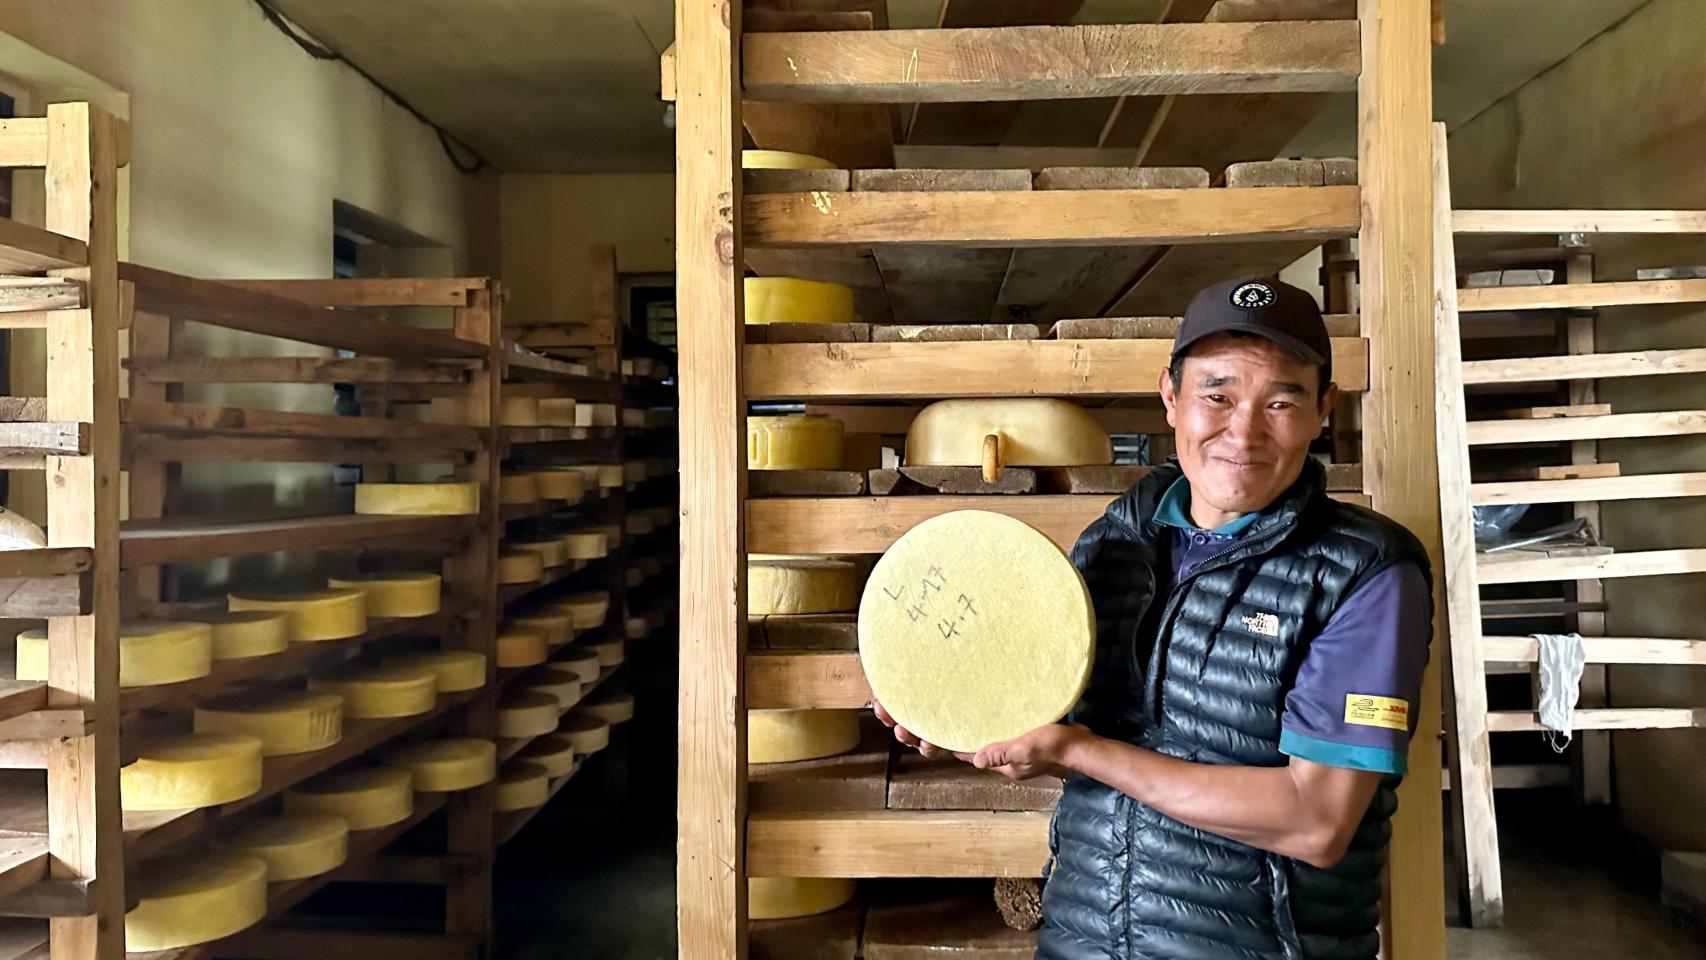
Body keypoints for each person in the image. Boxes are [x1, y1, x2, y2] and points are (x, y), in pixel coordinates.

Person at [874, 276, 1432, 960]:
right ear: (1170, 396)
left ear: (1323, 410)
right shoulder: (1114, 544)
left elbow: (1316, 821)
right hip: (1085, 938)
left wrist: (1076, 750)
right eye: (1217, 395)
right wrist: (966, 718)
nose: (1244, 431)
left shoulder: (1366, 575)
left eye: (1281, 401)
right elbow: (1068, 729)